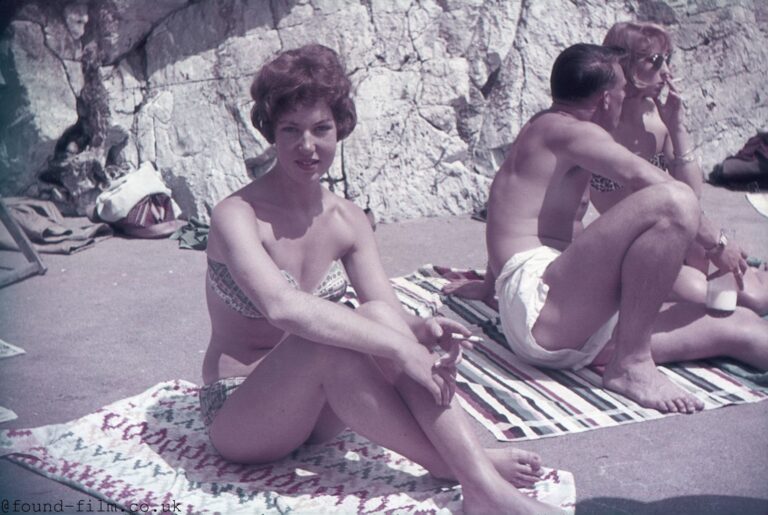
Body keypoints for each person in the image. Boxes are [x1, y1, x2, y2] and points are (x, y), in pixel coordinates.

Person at [199, 44, 556, 514]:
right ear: (271, 132)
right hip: (243, 412)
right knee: (324, 339)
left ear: (340, 127)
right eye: (291, 130)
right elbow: (283, 308)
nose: (308, 146)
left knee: (377, 317)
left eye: (321, 129)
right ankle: (476, 478)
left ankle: (472, 476)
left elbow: (387, 313)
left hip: (318, 417)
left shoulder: (347, 218)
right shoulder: (237, 215)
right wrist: (401, 348)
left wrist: (422, 331)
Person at [444, 43, 768, 414]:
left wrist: (490, 286)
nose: (625, 98)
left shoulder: (542, 128)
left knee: (737, 325)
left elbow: (511, 216)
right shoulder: (574, 132)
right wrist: (718, 244)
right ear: (604, 100)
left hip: (559, 318)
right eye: (623, 92)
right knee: (673, 202)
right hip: (543, 308)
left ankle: (630, 351)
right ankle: (631, 364)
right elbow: (656, 185)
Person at [589, 21, 768, 314]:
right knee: (723, 297)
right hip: (630, 249)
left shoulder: (655, 113)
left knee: (748, 295)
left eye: (667, 59)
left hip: (677, 237)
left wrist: (677, 126)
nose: (667, 71)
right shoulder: (599, 122)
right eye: (656, 61)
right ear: (626, 63)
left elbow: (692, 193)